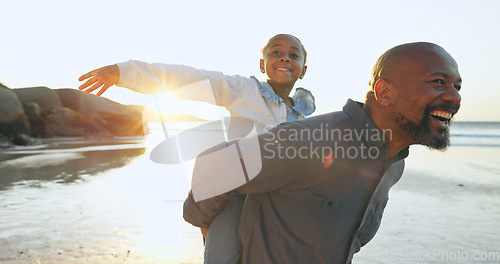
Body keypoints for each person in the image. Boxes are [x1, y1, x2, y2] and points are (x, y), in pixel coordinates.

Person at [183, 42, 462, 263]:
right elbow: (215, 167)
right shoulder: (312, 141)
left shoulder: (394, 164)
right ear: (383, 92)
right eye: (438, 82)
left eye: (456, 86)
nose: (454, 96)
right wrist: (216, 238)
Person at [78, 34, 315, 264]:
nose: (285, 58)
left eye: (293, 55)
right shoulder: (244, 90)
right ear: (262, 65)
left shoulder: (307, 118)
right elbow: (190, 78)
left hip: (280, 205)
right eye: (276, 52)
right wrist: (126, 72)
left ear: (303, 70)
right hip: (236, 198)